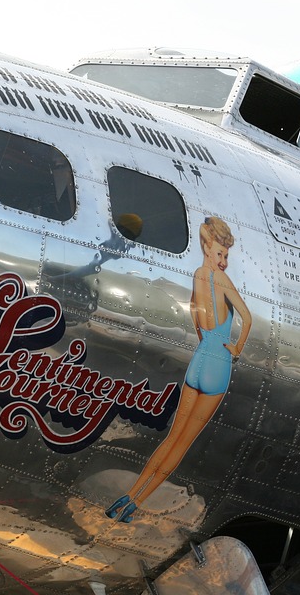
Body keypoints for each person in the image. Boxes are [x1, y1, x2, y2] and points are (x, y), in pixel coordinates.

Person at [106, 216, 252, 523]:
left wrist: (207, 343)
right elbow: (247, 318)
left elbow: (196, 317)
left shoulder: (198, 276)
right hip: (218, 365)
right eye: (220, 254)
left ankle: (130, 494)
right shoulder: (222, 281)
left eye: (225, 256)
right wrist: (235, 349)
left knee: (171, 437)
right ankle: (136, 503)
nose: (223, 261)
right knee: (183, 444)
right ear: (207, 248)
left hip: (199, 360)